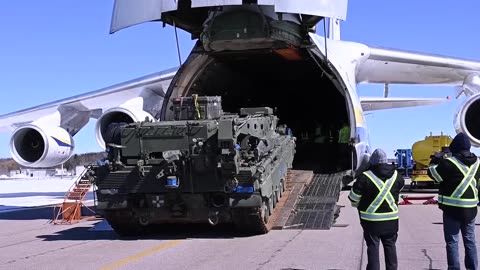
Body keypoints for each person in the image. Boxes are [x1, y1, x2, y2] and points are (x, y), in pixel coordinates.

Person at [427, 132, 480, 270]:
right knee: (470, 241)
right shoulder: (478, 163)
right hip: (471, 209)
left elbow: (434, 175)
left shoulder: (448, 163)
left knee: (452, 242)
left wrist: (435, 160)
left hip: (452, 209)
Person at [348, 148, 405, 270]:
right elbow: (399, 188)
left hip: (371, 221)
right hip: (391, 220)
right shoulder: (397, 176)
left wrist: (358, 205)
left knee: (373, 248)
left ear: (372, 161)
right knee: (390, 247)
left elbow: (353, 198)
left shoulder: (364, 177)